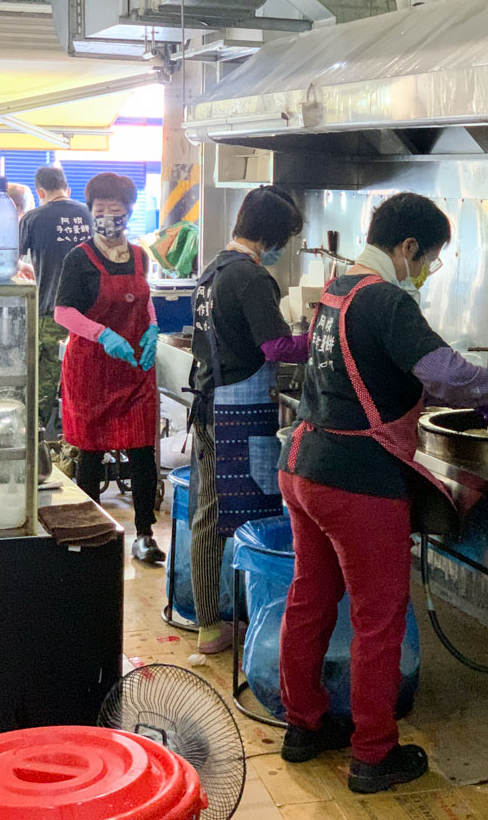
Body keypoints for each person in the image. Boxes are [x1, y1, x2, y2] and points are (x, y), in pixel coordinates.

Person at [277, 192, 488, 794]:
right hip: (357, 480)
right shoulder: (386, 297)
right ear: (409, 247)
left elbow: (381, 372)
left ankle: (304, 726)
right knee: (379, 619)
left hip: (305, 465)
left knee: (310, 601)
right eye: (429, 259)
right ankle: (373, 754)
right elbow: (441, 371)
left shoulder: (338, 289)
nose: (426, 272)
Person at [189, 185, 308, 655]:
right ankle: (212, 626)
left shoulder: (214, 268)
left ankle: (217, 617)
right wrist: (326, 337)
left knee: (211, 510)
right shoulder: (252, 278)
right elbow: (276, 347)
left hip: (211, 403)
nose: (285, 250)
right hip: (234, 411)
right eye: (285, 240)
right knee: (221, 513)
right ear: (271, 236)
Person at [54, 172, 163, 564]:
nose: (105, 217)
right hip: (92, 371)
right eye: (98, 210)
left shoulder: (139, 256)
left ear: (129, 213)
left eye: (114, 211)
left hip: (133, 370)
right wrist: (104, 335)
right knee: (90, 452)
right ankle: (91, 531)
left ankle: (145, 534)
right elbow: (63, 312)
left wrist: (152, 329)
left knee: (142, 453)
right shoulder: (78, 258)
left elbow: (145, 300)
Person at [19, 166, 93, 428]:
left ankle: (39, 439)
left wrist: (23, 267)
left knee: (47, 379)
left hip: (51, 311)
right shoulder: (89, 214)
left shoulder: (33, 218)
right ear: (67, 188)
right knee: (85, 376)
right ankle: (81, 435)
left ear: (40, 192)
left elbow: (9, 261)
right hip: (90, 316)